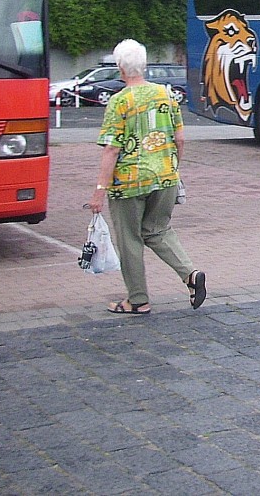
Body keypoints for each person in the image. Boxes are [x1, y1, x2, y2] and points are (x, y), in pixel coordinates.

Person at [88, 39, 206, 315]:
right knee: (157, 230)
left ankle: (138, 300)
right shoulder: (166, 95)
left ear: (120, 68)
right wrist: (174, 169)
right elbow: (180, 138)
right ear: (143, 65)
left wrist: (99, 189)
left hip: (128, 182)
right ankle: (190, 274)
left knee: (129, 239)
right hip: (165, 175)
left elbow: (112, 148)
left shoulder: (119, 102)